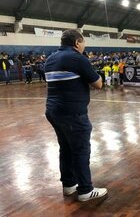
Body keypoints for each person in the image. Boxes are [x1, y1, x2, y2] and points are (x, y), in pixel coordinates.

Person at [44, 29, 106, 202]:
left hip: (53, 111)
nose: (84, 45)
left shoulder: (50, 59)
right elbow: (98, 84)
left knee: (65, 148)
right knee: (80, 150)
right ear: (77, 42)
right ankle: (86, 190)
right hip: (72, 114)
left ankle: (69, 185)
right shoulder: (78, 58)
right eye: (84, 42)